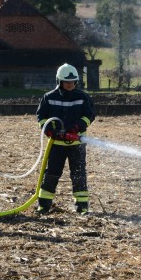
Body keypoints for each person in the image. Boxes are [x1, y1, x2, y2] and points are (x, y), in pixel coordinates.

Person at [36, 63, 96, 215]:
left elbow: (90, 115)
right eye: (67, 82)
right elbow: (41, 117)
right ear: (59, 81)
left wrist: (78, 126)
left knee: (78, 174)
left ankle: (82, 205)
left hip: (77, 144)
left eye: (73, 82)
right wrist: (50, 131)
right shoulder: (49, 97)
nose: (70, 84)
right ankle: (44, 205)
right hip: (56, 144)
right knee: (52, 173)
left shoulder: (82, 97)